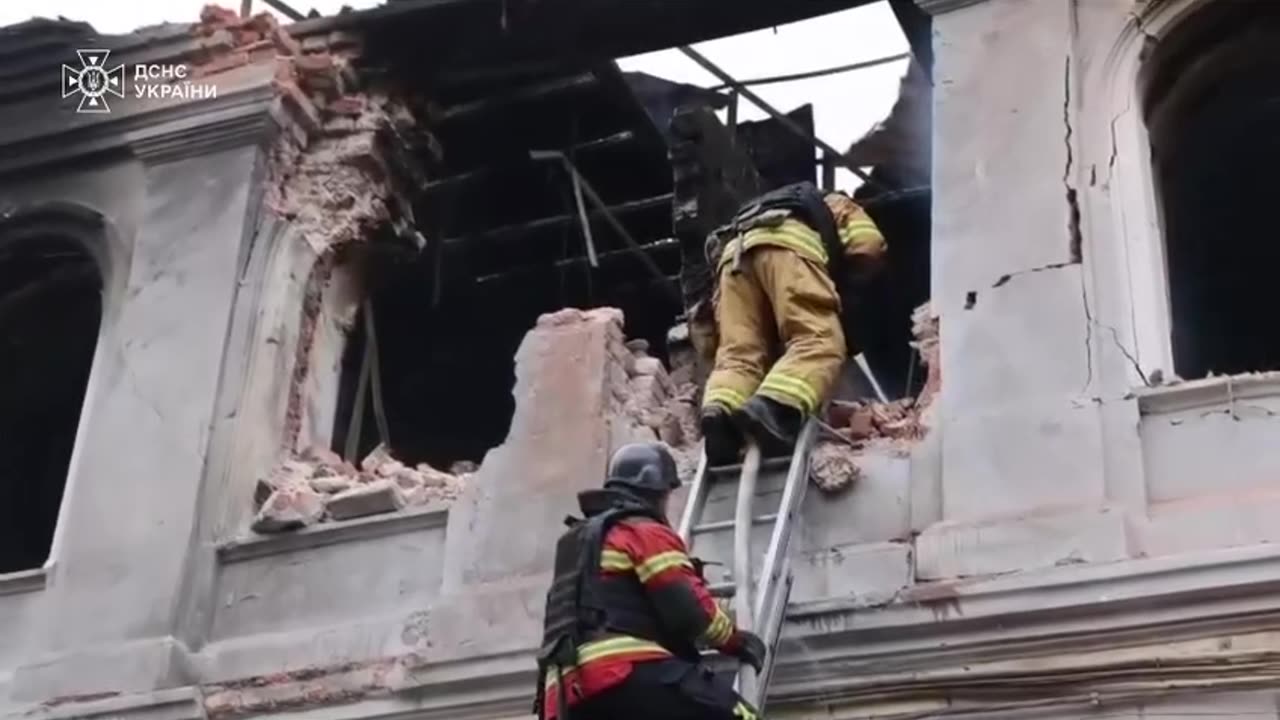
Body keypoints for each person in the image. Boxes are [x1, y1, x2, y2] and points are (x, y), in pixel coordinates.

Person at [534, 442, 767, 720]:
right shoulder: (641, 529)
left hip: (565, 696)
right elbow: (689, 611)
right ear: (657, 492)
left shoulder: (575, 548)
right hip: (623, 673)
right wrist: (735, 640)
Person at [696, 182, 887, 465]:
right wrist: (848, 286)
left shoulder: (755, 210)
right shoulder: (836, 202)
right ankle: (776, 409)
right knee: (818, 341)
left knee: (739, 356)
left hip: (732, 259)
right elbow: (869, 243)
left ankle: (720, 415)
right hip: (787, 249)